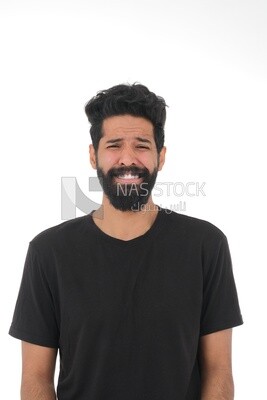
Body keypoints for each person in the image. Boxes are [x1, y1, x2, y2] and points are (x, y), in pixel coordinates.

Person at [9, 83, 243, 400]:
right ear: (94, 155)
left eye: (142, 146)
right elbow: (35, 379)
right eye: (114, 145)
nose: (127, 159)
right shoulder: (49, 252)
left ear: (161, 156)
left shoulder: (206, 245)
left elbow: (218, 372)